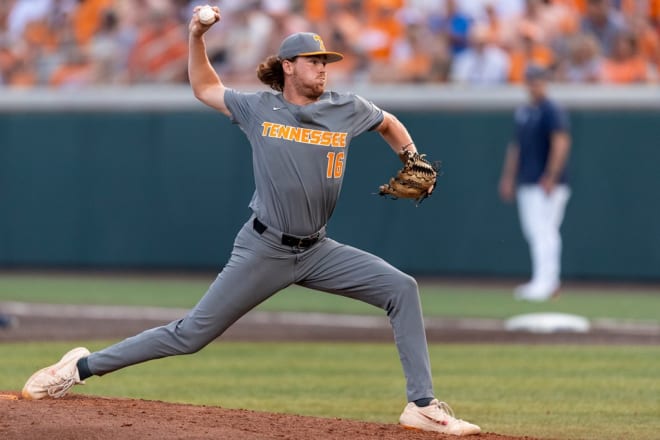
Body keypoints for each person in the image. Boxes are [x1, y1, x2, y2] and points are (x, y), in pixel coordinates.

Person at [21, 5, 481, 436]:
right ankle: (78, 368)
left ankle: (421, 404)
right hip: (265, 249)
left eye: (326, 61)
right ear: (287, 66)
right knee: (190, 335)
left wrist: (411, 157)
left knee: (402, 288)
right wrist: (196, 35)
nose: (323, 67)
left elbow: (388, 122)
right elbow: (204, 87)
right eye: (313, 60)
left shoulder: (346, 107)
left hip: (318, 250)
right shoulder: (258, 108)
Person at [499, 64, 572, 302]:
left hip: (546, 182)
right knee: (536, 232)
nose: (534, 84)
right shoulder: (525, 111)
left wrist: (551, 175)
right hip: (528, 180)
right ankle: (544, 281)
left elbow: (561, 142)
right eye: (531, 80)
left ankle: (547, 282)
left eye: (538, 80)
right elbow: (516, 147)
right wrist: (508, 177)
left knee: (545, 231)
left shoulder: (551, 109)